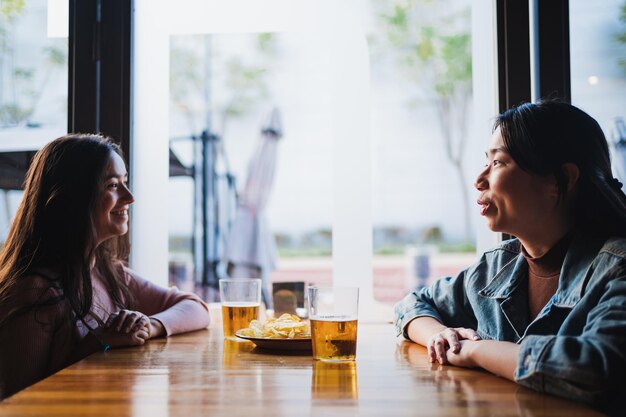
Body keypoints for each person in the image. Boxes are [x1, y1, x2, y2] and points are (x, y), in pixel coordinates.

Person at [394, 100, 626, 413]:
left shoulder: (616, 268)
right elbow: (413, 304)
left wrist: (478, 351)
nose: (479, 179)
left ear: (562, 180)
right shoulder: (495, 267)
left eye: (499, 163)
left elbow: (595, 368)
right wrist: (442, 336)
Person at [0, 134, 210, 399]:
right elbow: (19, 401)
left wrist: (149, 324)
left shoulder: (105, 271)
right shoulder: (33, 290)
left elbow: (196, 307)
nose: (130, 197)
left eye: (125, 182)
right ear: (72, 197)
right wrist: (99, 341)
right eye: (113, 185)